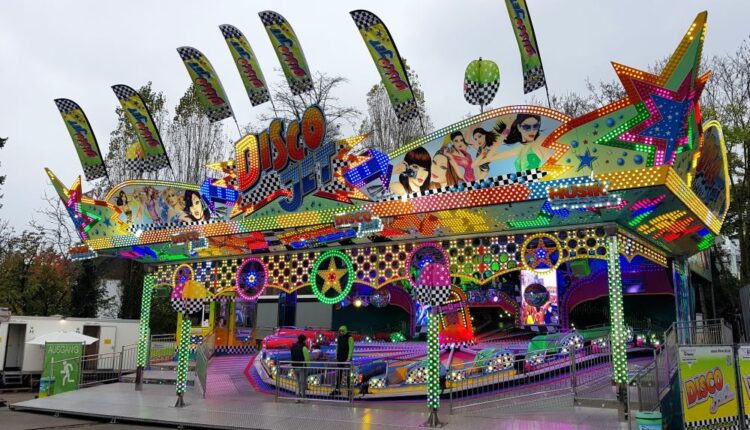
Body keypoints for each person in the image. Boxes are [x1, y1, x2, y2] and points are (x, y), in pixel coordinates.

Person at [331, 325, 354, 396]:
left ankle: (349, 391)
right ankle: (337, 389)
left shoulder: (350, 338)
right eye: (340, 331)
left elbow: (351, 348)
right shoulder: (339, 338)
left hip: (347, 359)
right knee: (339, 375)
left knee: (348, 376)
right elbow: (337, 347)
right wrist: (336, 356)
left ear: (345, 331)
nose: (341, 332)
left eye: (342, 331)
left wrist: (349, 358)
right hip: (340, 358)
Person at [290, 334, 310, 402]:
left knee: (297, 383)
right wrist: (308, 367)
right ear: (303, 340)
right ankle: (303, 397)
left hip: (294, 367)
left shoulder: (293, 346)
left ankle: (297, 397)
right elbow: (307, 358)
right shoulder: (303, 347)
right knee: (303, 383)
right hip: (302, 367)